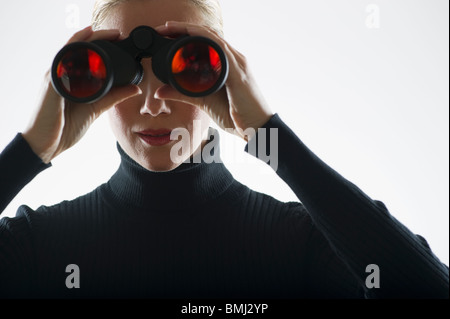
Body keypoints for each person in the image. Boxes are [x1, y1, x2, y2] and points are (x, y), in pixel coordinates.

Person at [0, 0, 448, 299]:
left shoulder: (296, 244)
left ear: (226, 75)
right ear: (85, 82)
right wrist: (33, 147)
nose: (153, 103)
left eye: (186, 67)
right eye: (122, 74)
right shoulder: (37, 247)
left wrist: (268, 134)